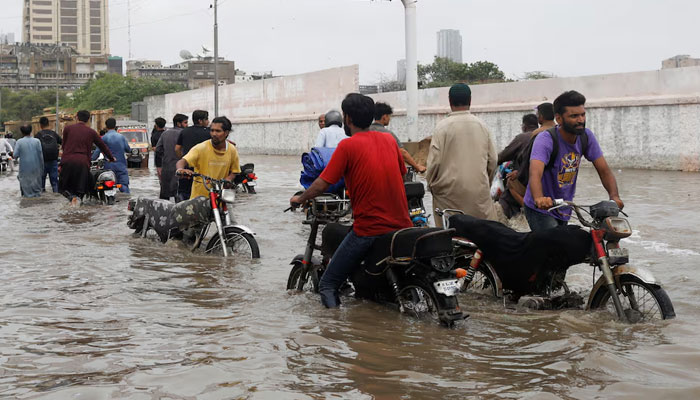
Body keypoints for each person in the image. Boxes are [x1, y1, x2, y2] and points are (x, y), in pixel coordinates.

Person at [290, 93, 412, 308]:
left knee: (328, 284)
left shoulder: (347, 146)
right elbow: (401, 175)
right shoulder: (389, 141)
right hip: (402, 225)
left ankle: (333, 333)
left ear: (347, 118)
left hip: (369, 229)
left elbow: (323, 183)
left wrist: (301, 198)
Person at [524, 90, 623, 231]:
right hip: (541, 209)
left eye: (583, 115)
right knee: (554, 246)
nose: (581, 120)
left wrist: (614, 197)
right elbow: (535, 173)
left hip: (564, 207)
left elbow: (604, 170)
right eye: (574, 116)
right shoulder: (545, 139)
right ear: (558, 119)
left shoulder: (586, 137)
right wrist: (539, 198)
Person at [426, 83, 498, 225]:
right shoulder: (482, 125)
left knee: (449, 236)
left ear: (450, 101)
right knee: (483, 233)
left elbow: (434, 163)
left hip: (448, 194)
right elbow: (493, 160)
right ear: (470, 101)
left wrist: (432, 185)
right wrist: (484, 182)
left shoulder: (442, 127)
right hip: (478, 193)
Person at [175, 116, 241, 199]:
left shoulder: (232, 150)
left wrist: (228, 179)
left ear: (226, 133)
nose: (214, 134)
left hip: (220, 197)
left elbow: (235, 171)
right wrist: (180, 169)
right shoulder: (201, 148)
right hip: (199, 199)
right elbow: (182, 161)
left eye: (218, 131)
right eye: (212, 130)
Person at [59, 110, 115, 205]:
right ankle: (78, 203)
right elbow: (102, 146)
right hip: (83, 163)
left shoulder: (67, 129)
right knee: (81, 189)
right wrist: (111, 158)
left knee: (62, 188)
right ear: (88, 119)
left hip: (68, 161)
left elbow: (64, 146)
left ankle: (71, 198)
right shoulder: (91, 132)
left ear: (77, 117)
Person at [496, 113, 539, 218]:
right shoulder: (546, 135)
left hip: (523, 182)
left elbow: (502, 156)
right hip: (541, 184)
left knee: (506, 200)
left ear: (524, 126)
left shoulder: (522, 137)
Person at [369, 102, 426, 173]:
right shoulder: (387, 134)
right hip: (384, 172)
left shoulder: (366, 131)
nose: (389, 119)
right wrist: (417, 167)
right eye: (389, 116)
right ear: (384, 117)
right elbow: (402, 153)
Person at [175, 110, 210, 202]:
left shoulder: (184, 131)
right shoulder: (209, 133)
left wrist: (183, 159)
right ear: (200, 121)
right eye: (206, 119)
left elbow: (177, 148)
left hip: (187, 168)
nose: (208, 122)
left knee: (184, 193)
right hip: (204, 169)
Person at [92, 118, 131, 193]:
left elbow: (96, 153)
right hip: (121, 165)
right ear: (115, 125)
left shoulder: (104, 138)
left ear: (106, 126)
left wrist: (91, 160)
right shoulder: (121, 137)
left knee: (107, 187)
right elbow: (128, 149)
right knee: (124, 185)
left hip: (109, 166)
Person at [156, 113, 188, 200]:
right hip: (181, 168)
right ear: (178, 123)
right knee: (179, 195)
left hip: (166, 167)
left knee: (164, 195)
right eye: (185, 122)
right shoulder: (184, 133)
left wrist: (166, 156)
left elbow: (158, 149)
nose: (187, 125)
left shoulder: (165, 133)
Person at [13, 125, 44, 197]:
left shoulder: (19, 142)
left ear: (22, 132)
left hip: (24, 171)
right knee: (37, 192)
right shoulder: (37, 141)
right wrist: (42, 169)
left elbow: (15, 155)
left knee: (25, 193)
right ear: (31, 131)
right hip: (36, 170)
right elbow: (41, 156)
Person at [35, 116, 62, 192]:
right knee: (55, 182)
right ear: (48, 124)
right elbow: (63, 142)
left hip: (42, 161)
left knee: (41, 183)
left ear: (40, 125)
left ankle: (42, 200)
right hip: (53, 161)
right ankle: (56, 195)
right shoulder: (54, 134)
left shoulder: (38, 135)